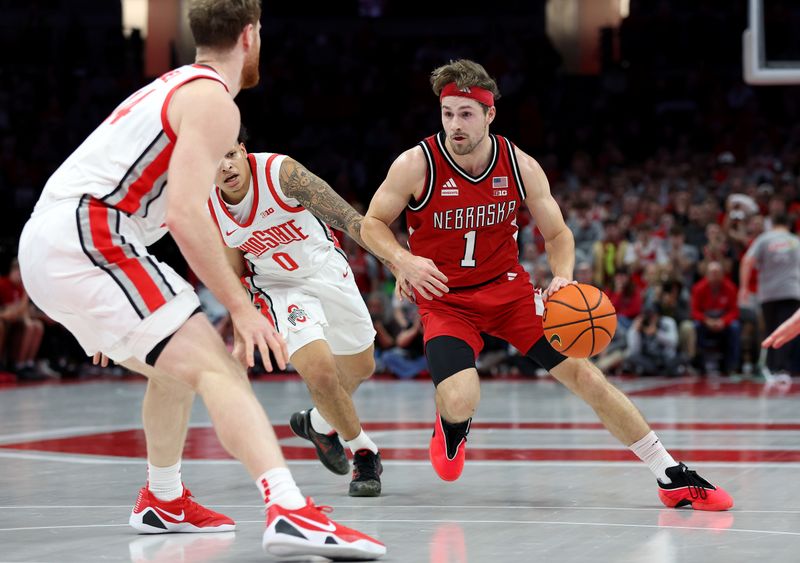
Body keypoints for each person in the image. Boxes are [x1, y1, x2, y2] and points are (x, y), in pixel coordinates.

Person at [16, 1, 385, 559]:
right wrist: (240, 307)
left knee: (176, 372)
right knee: (219, 367)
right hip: (89, 233)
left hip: (60, 242)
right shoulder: (214, 101)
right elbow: (188, 214)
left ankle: (162, 498)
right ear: (250, 35)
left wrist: (108, 309)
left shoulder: (175, 87)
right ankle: (289, 510)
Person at [361, 59, 732, 511]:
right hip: (447, 300)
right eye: (448, 113)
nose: (455, 125)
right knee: (461, 397)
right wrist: (401, 259)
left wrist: (562, 276)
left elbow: (558, 235)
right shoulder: (415, 164)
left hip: (511, 292)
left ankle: (670, 475)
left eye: (466, 114)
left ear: (489, 114)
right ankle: (451, 424)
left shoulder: (520, 166)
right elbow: (373, 224)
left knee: (586, 375)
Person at [208, 127, 383, 497]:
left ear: (242, 150)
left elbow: (349, 219)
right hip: (278, 288)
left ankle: (318, 423)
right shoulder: (209, 206)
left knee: (361, 366)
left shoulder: (280, 173)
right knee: (320, 374)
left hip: (326, 269)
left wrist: (396, 260)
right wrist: (241, 329)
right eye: (212, 161)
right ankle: (364, 452)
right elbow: (234, 271)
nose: (224, 167)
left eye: (228, 155)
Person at [740, 214, 800, 377]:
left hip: (768, 293)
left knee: (771, 330)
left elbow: (747, 261)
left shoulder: (763, 239)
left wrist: (744, 287)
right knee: (787, 331)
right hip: (791, 291)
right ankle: (780, 369)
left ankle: (771, 368)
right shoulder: (795, 241)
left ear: (771, 224)